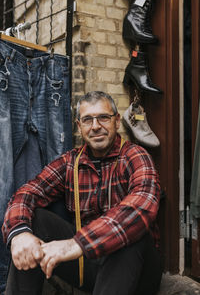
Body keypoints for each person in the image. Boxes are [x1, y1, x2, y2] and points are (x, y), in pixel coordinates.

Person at [2, 91, 162, 295]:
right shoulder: (70, 161)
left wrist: (76, 244)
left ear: (117, 121)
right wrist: (19, 234)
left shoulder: (135, 155)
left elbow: (143, 205)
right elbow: (27, 193)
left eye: (103, 117)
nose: (95, 126)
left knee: (132, 231)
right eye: (88, 120)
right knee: (34, 221)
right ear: (80, 126)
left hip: (139, 271)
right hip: (91, 266)